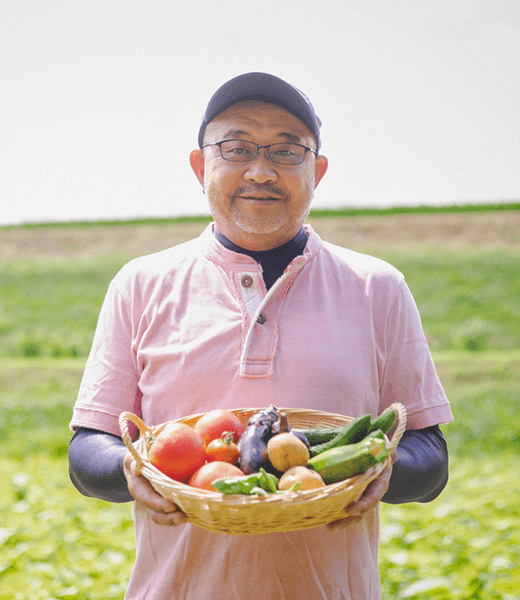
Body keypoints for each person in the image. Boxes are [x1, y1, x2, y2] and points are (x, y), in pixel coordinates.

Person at [68, 72, 453, 600]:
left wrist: (380, 466)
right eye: (237, 147)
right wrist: (134, 469)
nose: (260, 170)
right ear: (201, 166)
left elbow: (430, 455)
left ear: (316, 171)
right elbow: (88, 449)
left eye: (287, 151)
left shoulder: (377, 287)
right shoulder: (140, 284)